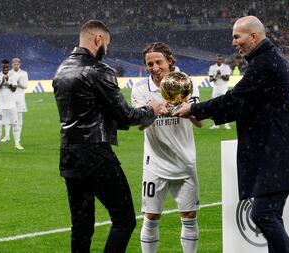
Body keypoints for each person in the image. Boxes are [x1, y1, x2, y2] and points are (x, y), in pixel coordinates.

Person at [175, 16, 289, 253]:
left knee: (264, 214)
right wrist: (201, 113)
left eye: (236, 36)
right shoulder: (266, 59)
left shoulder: (265, 63)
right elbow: (245, 105)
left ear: (253, 36)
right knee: (270, 215)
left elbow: (235, 100)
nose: (233, 43)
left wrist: (195, 109)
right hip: (280, 149)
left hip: (280, 151)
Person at [52, 20, 167, 253]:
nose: (107, 50)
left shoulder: (61, 69)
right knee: (125, 220)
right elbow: (125, 115)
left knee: (81, 225)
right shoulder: (99, 70)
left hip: (69, 156)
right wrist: (151, 110)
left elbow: (88, 111)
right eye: (107, 44)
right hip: (96, 155)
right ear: (98, 40)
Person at [131, 42, 203, 253]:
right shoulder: (141, 88)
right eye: (149, 64)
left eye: (158, 62)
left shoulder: (185, 82)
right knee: (151, 217)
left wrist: (186, 107)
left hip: (185, 161)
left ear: (169, 61)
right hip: (155, 163)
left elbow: (200, 122)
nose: (154, 67)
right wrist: (153, 112)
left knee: (189, 216)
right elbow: (139, 125)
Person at [0, 59, 23, 151]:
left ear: (8, 67)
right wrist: (2, 82)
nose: (5, 68)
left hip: (11, 105)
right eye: (4, 67)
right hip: (0, 106)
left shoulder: (12, 76)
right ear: (1, 67)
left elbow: (14, 89)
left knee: (15, 124)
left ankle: (17, 144)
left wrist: (8, 82)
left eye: (7, 67)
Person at [1, 58, 28, 145]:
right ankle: (7, 135)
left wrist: (18, 83)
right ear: (12, 65)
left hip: (20, 99)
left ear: (20, 64)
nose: (16, 66)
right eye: (14, 64)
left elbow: (25, 86)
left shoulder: (24, 73)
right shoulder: (9, 73)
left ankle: (18, 138)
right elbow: (5, 84)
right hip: (10, 98)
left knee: (19, 120)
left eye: (17, 64)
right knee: (7, 118)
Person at [208, 54, 232, 130]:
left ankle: (226, 124)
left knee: (225, 105)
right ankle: (216, 124)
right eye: (218, 59)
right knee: (215, 105)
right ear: (216, 60)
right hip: (215, 88)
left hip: (224, 88)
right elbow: (210, 79)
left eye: (220, 59)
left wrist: (221, 74)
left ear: (222, 60)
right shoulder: (212, 67)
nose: (219, 60)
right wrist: (216, 75)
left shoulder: (226, 67)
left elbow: (227, 78)